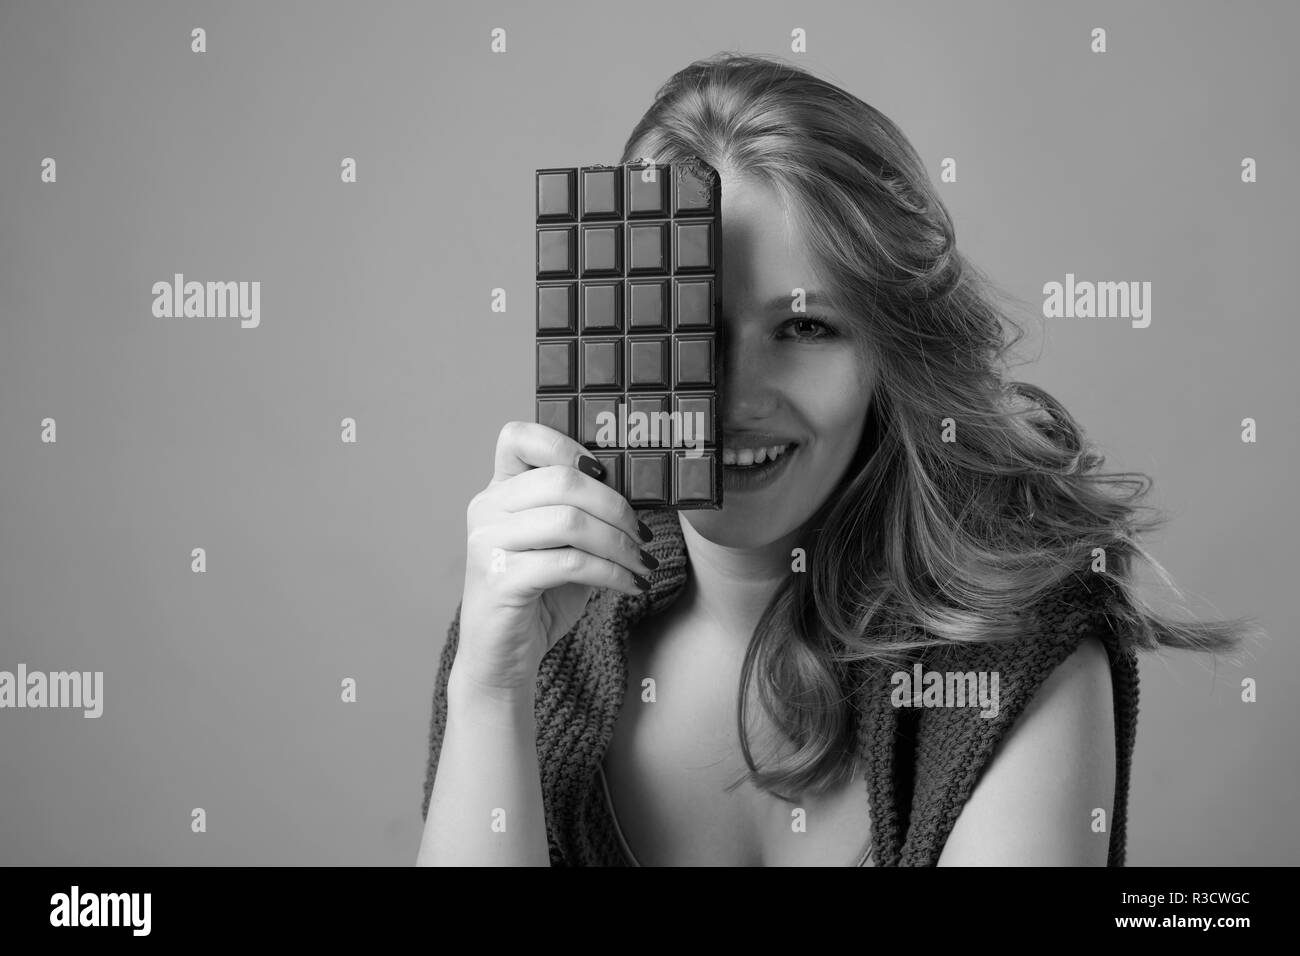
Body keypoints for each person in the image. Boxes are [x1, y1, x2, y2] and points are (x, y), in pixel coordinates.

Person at [416, 52, 1261, 867]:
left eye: (806, 328)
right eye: (695, 330)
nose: (739, 398)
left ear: (889, 353)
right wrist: (490, 692)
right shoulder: (526, 616)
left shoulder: (1016, 642)